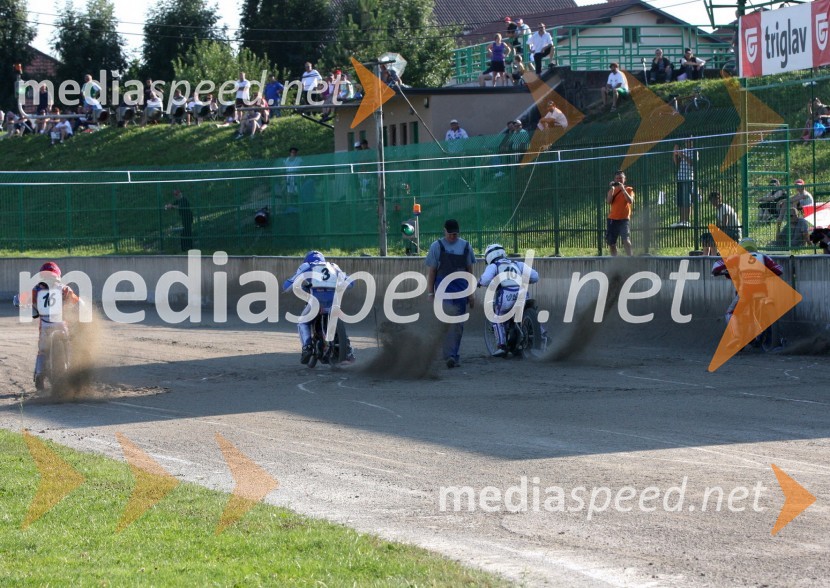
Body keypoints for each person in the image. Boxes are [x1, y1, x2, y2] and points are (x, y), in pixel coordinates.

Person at [282, 251, 354, 364]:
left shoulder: (307, 266)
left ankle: (307, 347)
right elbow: (351, 283)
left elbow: (287, 286)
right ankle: (348, 350)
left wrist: (295, 285)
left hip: (316, 301)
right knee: (337, 319)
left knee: (303, 322)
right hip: (333, 302)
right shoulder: (333, 266)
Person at [711, 237, 783, 345]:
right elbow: (779, 269)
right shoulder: (763, 257)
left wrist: (718, 272)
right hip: (762, 292)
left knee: (730, 313)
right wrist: (767, 273)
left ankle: (737, 336)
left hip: (745, 293)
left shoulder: (736, 257)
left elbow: (716, 267)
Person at [425, 219, 476, 368]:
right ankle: (449, 355)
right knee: (447, 321)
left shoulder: (466, 246)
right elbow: (432, 271)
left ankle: (453, 354)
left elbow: (470, 270)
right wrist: (430, 293)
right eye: (450, 234)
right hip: (443, 289)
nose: (453, 237)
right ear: (444, 231)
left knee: (458, 324)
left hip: (461, 288)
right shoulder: (436, 246)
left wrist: (471, 294)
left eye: (455, 234)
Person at [28, 262, 82, 391]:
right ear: (58, 275)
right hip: (62, 325)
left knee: (42, 350)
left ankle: (40, 373)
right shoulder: (64, 289)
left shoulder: (36, 290)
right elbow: (78, 302)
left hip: (45, 326)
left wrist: (18, 301)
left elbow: (20, 299)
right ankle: (70, 370)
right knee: (70, 344)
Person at [478, 243, 539, 357]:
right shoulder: (517, 264)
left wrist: (479, 282)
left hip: (506, 296)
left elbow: (485, 280)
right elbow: (535, 276)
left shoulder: (494, 266)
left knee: (496, 317)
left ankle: (501, 346)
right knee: (531, 311)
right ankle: (543, 334)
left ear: (489, 256)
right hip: (523, 294)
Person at [606, 170, 634, 256]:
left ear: (624, 179)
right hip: (612, 219)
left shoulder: (629, 189)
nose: (619, 180)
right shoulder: (612, 190)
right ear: (614, 180)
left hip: (624, 219)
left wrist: (623, 190)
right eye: (617, 178)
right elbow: (608, 201)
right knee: (611, 243)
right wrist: (612, 189)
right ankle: (615, 260)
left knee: (626, 240)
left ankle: (630, 258)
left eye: (621, 178)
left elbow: (630, 201)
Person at [671, 136, 697, 228]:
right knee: (681, 200)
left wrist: (681, 154)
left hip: (688, 178)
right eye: (686, 142)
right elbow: (677, 163)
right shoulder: (684, 150)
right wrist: (675, 154)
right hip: (680, 178)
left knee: (687, 200)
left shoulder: (695, 151)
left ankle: (687, 221)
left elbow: (691, 163)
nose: (687, 143)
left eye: (688, 141)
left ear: (692, 142)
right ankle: (681, 221)